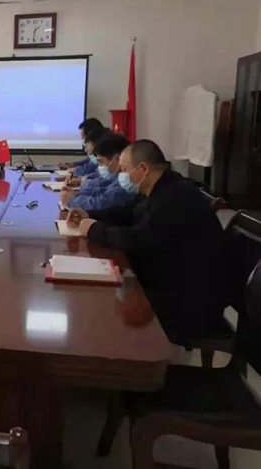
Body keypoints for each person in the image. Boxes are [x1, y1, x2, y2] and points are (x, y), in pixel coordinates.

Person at [66, 140, 231, 344]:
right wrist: (90, 215)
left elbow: (138, 239)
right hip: (172, 278)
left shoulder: (174, 197)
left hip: (190, 299)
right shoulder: (160, 187)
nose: (121, 176)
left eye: (124, 170)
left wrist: (93, 229)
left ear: (143, 169)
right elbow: (128, 213)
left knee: (109, 314)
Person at [61, 133, 135, 210]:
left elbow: (100, 203)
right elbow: (102, 191)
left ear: (117, 159)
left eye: (101, 162)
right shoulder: (118, 179)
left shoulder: (127, 184)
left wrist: (71, 202)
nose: (99, 166)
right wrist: (76, 194)